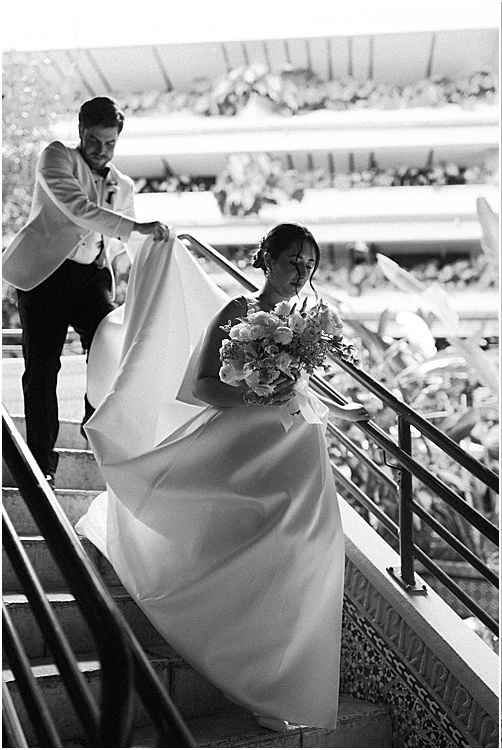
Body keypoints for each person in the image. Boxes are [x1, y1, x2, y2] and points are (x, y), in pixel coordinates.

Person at [76, 223, 369, 732]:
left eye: (309, 265)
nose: (301, 273)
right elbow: (202, 387)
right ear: (267, 259)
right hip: (245, 448)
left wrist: (343, 416)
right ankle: (255, 671)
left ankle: (288, 680)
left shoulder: (303, 323)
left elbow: (301, 392)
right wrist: (258, 395)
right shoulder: (237, 311)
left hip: (297, 450)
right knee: (262, 547)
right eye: (293, 261)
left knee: (318, 546)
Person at [1, 96, 171, 480]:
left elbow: (126, 245)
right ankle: (41, 463)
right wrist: (136, 227)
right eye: (94, 141)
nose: (101, 150)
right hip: (46, 277)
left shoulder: (122, 184)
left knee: (114, 351)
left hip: (91, 278)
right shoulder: (57, 157)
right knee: (42, 369)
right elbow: (77, 207)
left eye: (110, 143)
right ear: (80, 132)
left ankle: (93, 429)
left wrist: (162, 257)